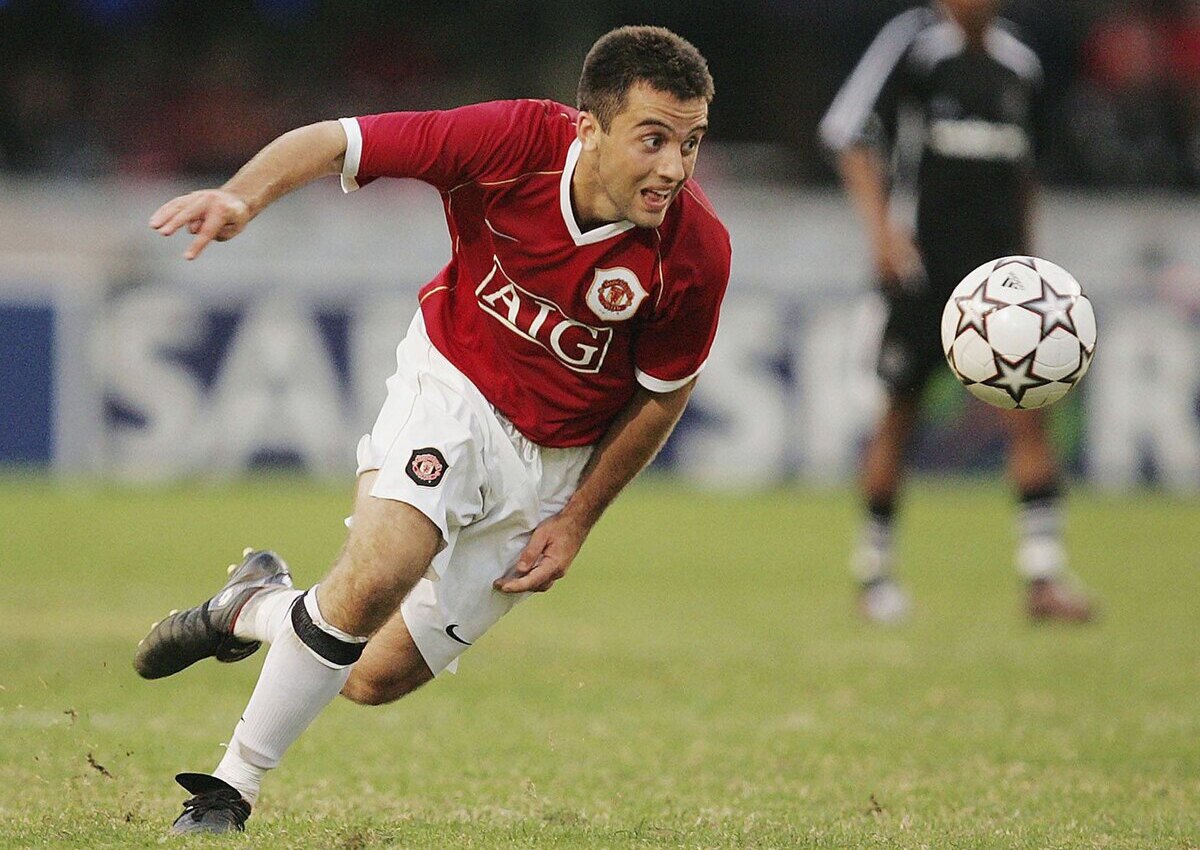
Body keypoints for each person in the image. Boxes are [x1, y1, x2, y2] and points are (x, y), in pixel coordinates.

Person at [136, 25, 729, 834]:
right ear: (588, 126)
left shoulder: (697, 252)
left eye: (691, 144)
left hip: (552, 463)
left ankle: (254, 606)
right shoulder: (510, 141)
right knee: (381, 570)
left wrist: (576, 519)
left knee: (371, 675)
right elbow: (336, 140)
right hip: (450, 385)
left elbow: (662, 395)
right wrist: (243, 196)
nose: (673, 168)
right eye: (653, 139)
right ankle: (227, 792)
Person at [818, 0, 1094, 624]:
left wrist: (1033, 264)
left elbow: (1028, 171)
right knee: (900, 413)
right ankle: (873, 574)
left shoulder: (1019, 63)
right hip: (925, 272)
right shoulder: (914, 44)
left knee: (1032, 412)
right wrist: (882, 234)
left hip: (1004, 284)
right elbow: (847, 132)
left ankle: (1043, 576)